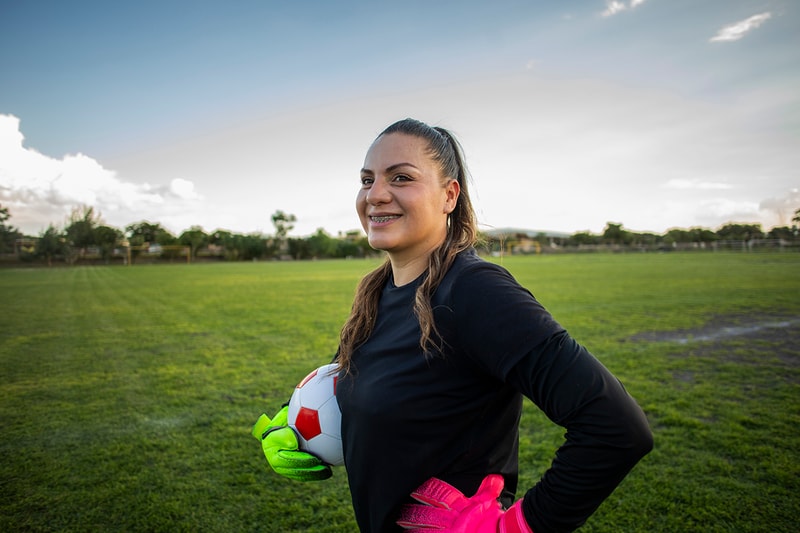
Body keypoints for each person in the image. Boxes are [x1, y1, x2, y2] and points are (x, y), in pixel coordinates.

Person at [254, 118, 653, 532]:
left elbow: (616, 426)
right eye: (367, 179)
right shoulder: (376, 292)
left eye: (401, 178)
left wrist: (516, 527)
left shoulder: (476, 292)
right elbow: (359, 385)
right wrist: (294, 423)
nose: (376, 194)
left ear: (449, 195)